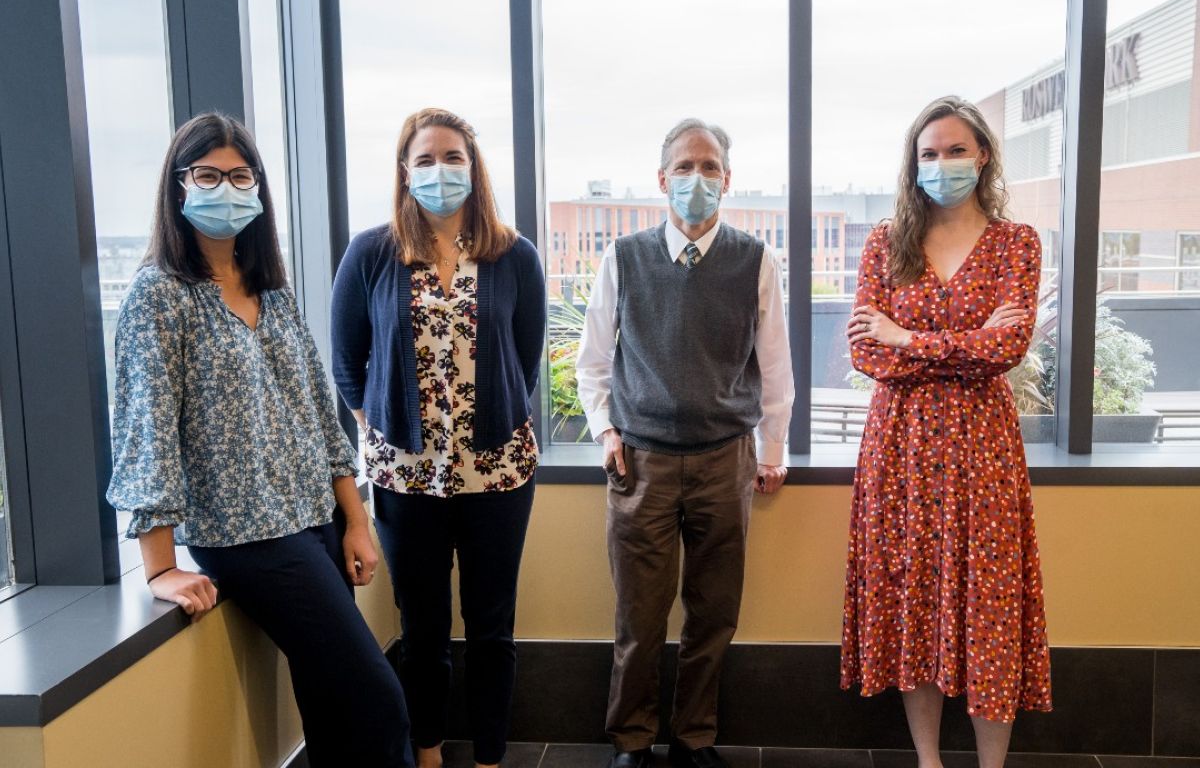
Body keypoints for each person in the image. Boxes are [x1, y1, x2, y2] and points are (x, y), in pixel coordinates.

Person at [107, 112, 413, 767]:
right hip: (247, 538)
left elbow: (316, 415)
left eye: (240, 175)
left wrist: (355, 520)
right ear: (178, 187)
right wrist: (159, 565)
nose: (227, 188)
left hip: (314, 519)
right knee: (377, 700)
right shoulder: (157, 298)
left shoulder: (271, 291)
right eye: (209, 175)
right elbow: (145, 432)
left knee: (333, 707)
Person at [840, 96, 1053, 768]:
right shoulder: (885, 242)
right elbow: (865, 354)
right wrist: (961, 343)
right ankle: (928, 761)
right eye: (928, 154)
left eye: (956, 150)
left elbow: (1009, 347)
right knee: (915, 602)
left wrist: (909, 337)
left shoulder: (1017, 242)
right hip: (899, 450)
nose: (942, 164)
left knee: (990, 608)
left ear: (983, 154)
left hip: (983, 450)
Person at [331, 108, 546, 768]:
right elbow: (347, 362)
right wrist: (387, 427)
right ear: (404, 172)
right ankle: (427, 756)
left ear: (473, 168)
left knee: (491, 631)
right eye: (424, 160)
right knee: (422, 633)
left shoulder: (514, 255)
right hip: (406, 481)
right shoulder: (372, 253)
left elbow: (526, 356)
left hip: (498, 476)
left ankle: (487, 760)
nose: (439, 171)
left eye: (452, 157)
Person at [576, 118, 794, 768]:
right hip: (639, 462)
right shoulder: (624, 258)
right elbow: (592, 361)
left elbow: (776, 364)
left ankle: (694, 739)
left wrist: (774, 447)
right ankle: (633, 743)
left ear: (727, 180)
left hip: (725, 461)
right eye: (684, 167)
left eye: (709, 168)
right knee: (638, 619)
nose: (696, 179)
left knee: (713, 612)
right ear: (662, 178)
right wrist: (605, 429)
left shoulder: (756, 261)